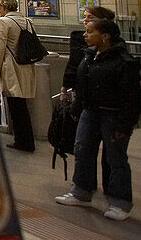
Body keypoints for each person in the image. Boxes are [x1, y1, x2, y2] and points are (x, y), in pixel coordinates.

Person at [55, 19, 140, 220]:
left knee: (115, 158)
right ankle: (81, 192)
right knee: (82, 150)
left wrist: (125, 124)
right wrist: (77, 108)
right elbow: (83, 86)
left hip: (112, 115)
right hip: (89, 112)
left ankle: (120, 202)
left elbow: (132, 96)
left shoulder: (123, 62)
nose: (85, 35)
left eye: (89, 32)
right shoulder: (90, 56)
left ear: (105, 37)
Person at [0, 0, 37, 152]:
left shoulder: (3, 22)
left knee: (15, 106)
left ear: (4, 7)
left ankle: (22, 141)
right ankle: (27, 140)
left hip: (11, 67)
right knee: (22, 105)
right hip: (26, 66)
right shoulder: (27, 21)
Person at [63, 6, 116, 100]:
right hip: (84, 93)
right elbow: (73, 63)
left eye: (90, 17)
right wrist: (65, 86)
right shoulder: (80, 41)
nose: (85, 20)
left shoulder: (117, 52)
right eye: (85, 17)